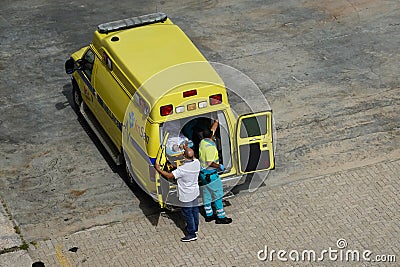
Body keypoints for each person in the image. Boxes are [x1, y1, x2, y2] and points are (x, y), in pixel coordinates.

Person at [155, 144, 201, 242]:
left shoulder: (182, 169)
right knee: (194, 211)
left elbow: (169, 176)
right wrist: (186, 149)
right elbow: (193, 156)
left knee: (188, 214)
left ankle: (191, 234)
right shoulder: (197, 163)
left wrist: (158, 169)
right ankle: (195, 228)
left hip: (186, 195)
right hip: (194, 192)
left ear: (184, 156)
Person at [198, 120, 232, 224]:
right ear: (212, 136)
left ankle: (209, 215)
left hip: (203, 174)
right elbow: (209, 162)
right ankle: (221, 217)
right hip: (211, 175)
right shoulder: (210, 147)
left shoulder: (202, 142)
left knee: (206, 194)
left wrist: (216, 122)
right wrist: (220, 166)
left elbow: (212, 129)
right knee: (218, 195)